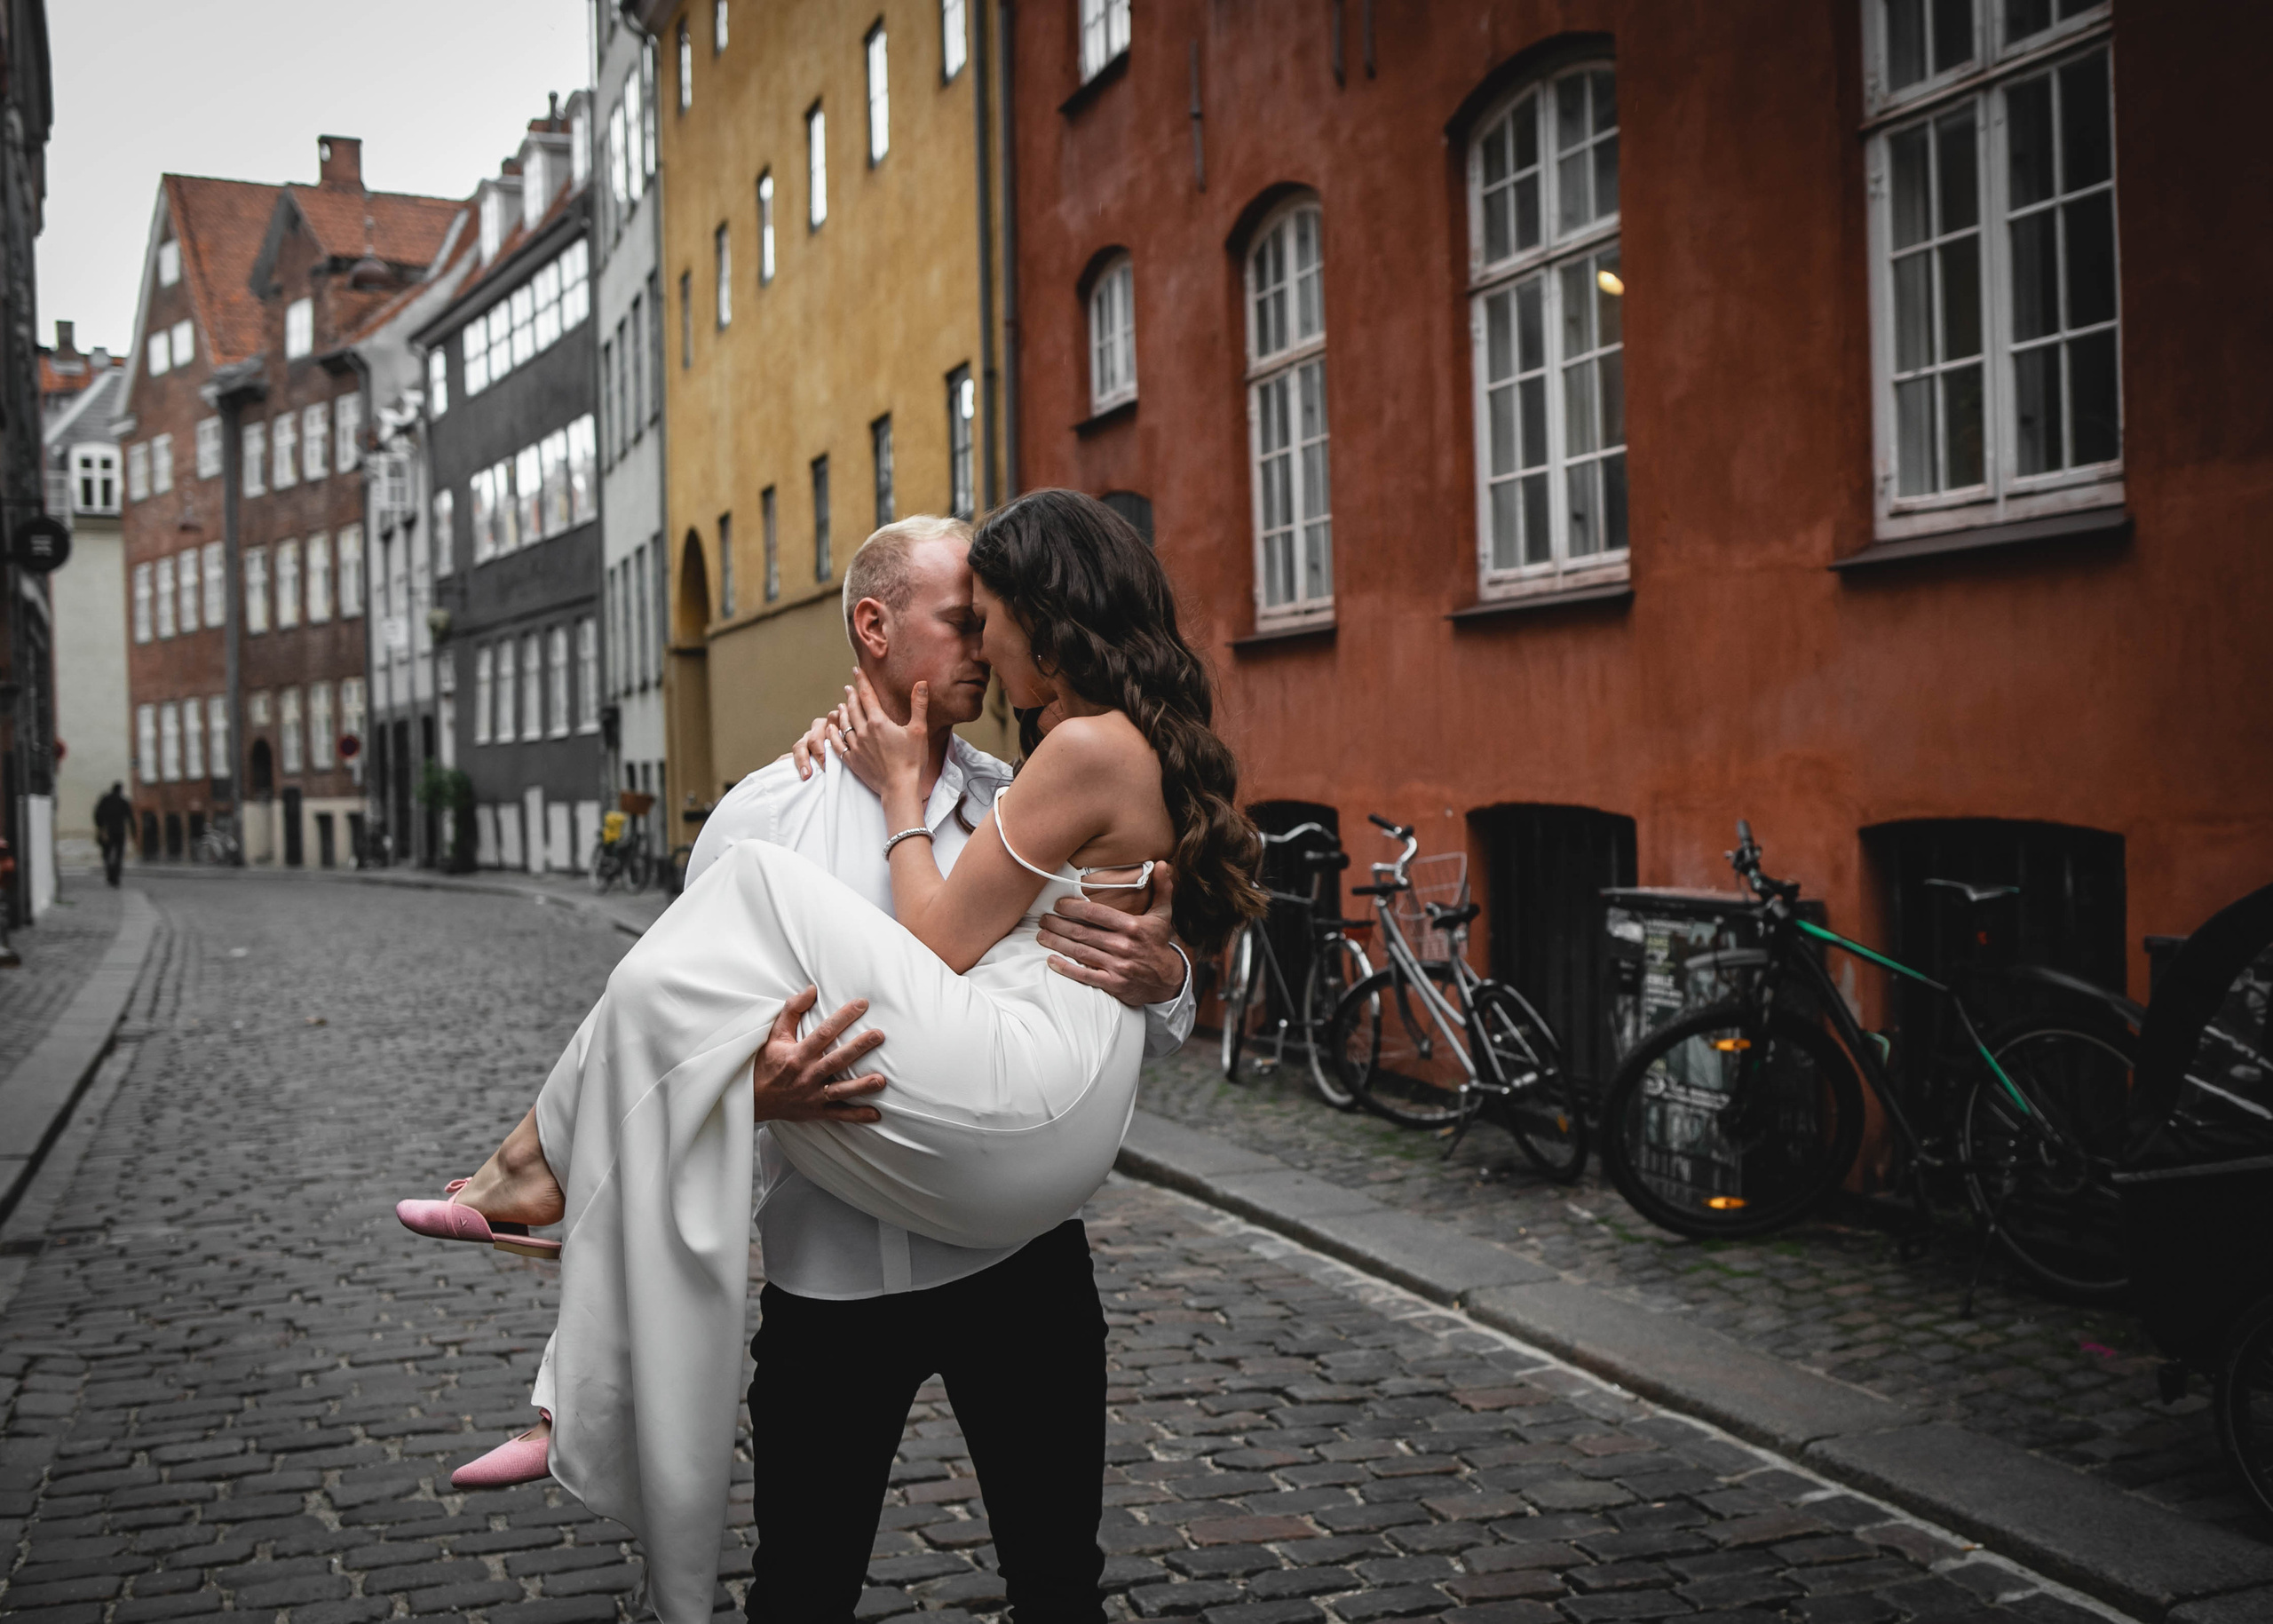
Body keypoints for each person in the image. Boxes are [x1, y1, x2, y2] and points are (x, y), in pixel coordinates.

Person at [397, 494, 1262, 1624]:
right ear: (873, 630)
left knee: (1059, 1582)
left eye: (991, 617)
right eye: (963, 620)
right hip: (837, 1274)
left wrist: (1172, 980)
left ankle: (535, 1170)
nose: (989, 649)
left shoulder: (1027, 786)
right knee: (802, 1592)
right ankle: (554, 1264)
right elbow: (672, 1022)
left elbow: (1099, 990)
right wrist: (751, 1087)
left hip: (1019, 1267)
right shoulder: (763, 815)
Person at [93, 782, 131, 887]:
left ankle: (110, 874)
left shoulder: (105, 800)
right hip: (120, 831)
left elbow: (97, 814)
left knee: (107, 854)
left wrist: (100, 828)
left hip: (107, 831)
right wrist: (132, 832)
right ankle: (116, 877)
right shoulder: (123, 802)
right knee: (119, 855)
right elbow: (129, 817)